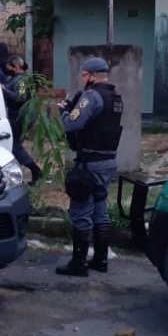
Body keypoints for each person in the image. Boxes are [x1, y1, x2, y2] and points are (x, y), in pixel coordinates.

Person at [55, 57, 123, 277]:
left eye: (84, 75)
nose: (82, 79)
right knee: (100, 209)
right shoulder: (115, 97)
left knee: (81, 211)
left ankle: (78, 263)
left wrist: (64, 111)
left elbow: (72, 123)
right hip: (108, 161)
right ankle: (101, 259)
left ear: (93, 75)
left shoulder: (92, 96)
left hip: (90, 163)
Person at [2, 55, 42, 186]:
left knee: (14, 145)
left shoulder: (23, 80)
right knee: (15, 144)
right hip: (16, 116)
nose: (7, 69)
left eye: (9, 67)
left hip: (22, 117)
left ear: (16, 66)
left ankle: (34, 169)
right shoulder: (15, 78)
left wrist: (5, 90)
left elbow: (21, 97)